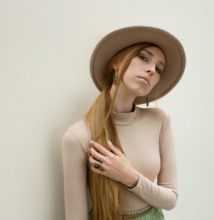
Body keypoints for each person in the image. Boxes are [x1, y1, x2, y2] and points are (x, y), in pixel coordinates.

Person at [62, 26, 186, 220]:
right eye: (144, 57)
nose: (152, 69)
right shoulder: (79, 136)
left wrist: (131, 177)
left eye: (159, 68)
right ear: (116, 62)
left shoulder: (160, 120)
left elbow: (171, 200)